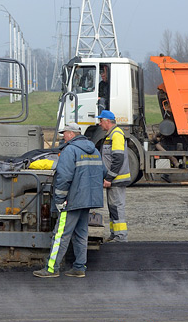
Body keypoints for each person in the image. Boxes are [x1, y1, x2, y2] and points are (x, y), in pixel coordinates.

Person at [32, 123, 105, 278]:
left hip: (72, 201)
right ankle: (79, 267)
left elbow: (64, 178)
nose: (63, 136)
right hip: (88, 200)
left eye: (64, 133)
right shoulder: (94, 151)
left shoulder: (70, 150)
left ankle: (51, 269)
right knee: (81, 234)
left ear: (72, 134)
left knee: (61, 234)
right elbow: (103, 172)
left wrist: (59, 199)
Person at [98, 110, 130, 242]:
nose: (99, 123)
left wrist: (109, 178)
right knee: (113, 208)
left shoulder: (116, 135)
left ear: (107, 121)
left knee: (116, 207)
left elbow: (118, 158)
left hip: (116, 179)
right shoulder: (110, 135)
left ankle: (121, 237)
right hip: (114, 179)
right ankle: (114, 234)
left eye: (101, 121)